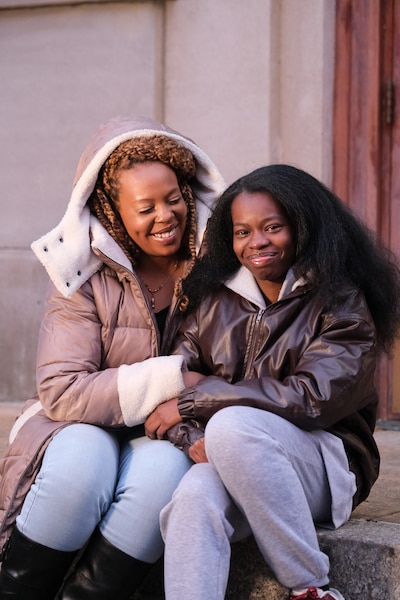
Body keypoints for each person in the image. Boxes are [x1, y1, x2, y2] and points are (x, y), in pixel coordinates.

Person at [144, 164, 400, 600]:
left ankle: (309, 587)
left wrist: (198, 403)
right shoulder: (212, 300)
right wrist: (190, 438)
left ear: (301, 227)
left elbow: (312, 397)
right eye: (242, 232)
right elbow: (169, 390)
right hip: (234, 457)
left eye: (272, 227)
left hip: (323, 462)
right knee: (193, 497)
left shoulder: (340, 301)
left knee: (231, 427)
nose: (256, 242)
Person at [0, 115, 225, 599]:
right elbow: (62, 390)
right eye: (145, 207)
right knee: (84, 461)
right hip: (77, 424)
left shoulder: (218, 268)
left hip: (172, 429)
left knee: (164, 473)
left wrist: (184, 409)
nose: (165, 216)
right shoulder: (79, 274)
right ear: (112, 210)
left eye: (173, 198)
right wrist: (176, 380)